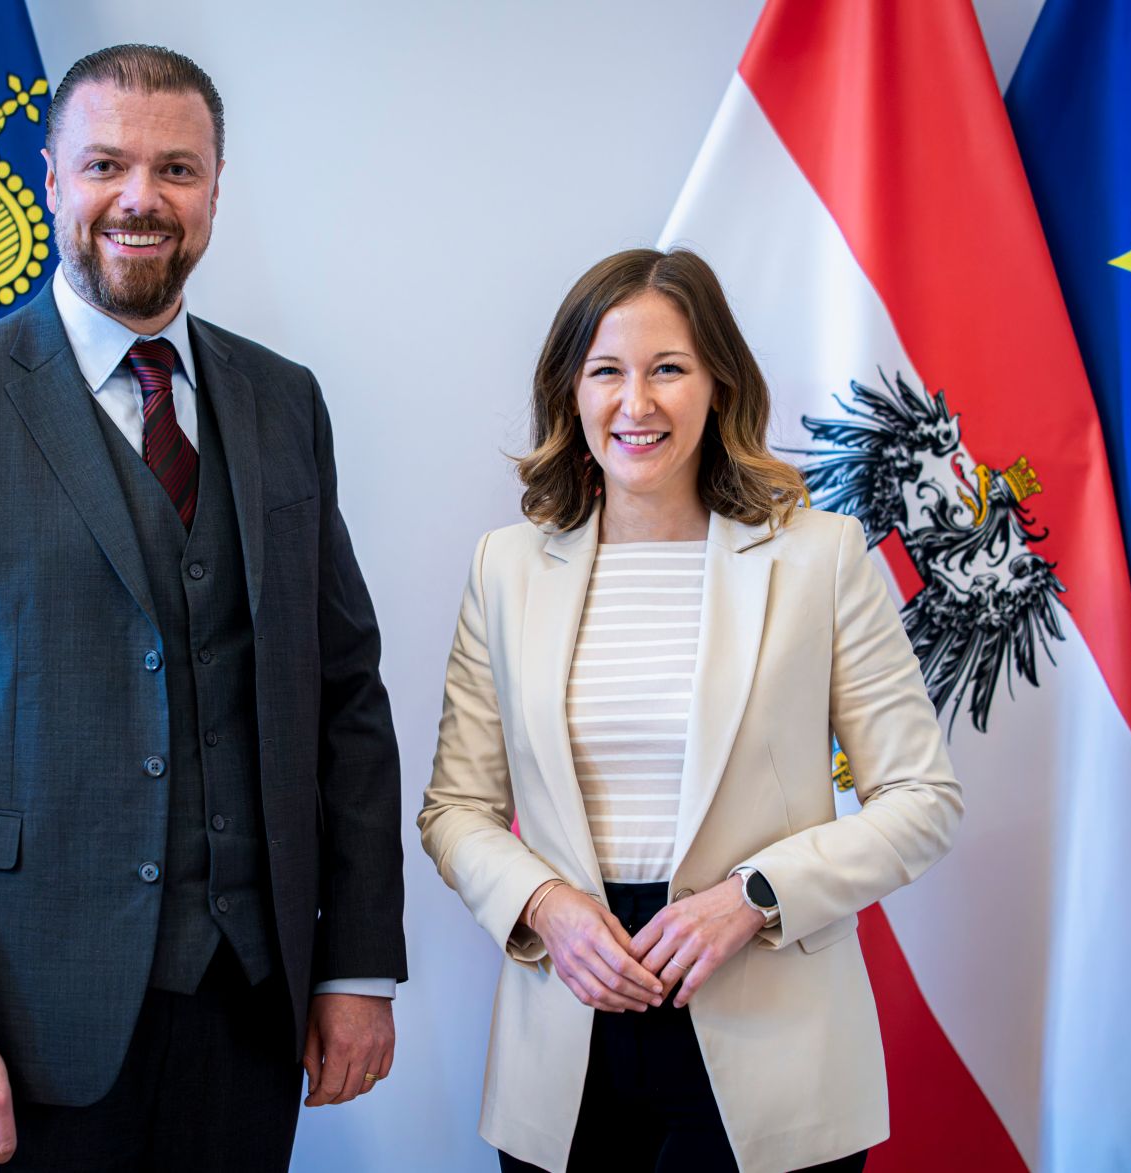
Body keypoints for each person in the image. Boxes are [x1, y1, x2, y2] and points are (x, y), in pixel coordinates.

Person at [0, 44, 405, 1172]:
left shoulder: (285, 402)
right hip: (11, 1031)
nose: (141, 199)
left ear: (217, 190)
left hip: (248, 1015)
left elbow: (345, 703)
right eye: (106, 165)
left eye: (176, 169)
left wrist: (356, 967)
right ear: (49, 180)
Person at [418, 248, 963, 1173]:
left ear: (719, 383)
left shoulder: (820, 558)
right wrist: (545, 905)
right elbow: (455, 810)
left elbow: (923, 798)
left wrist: (755, 896)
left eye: (668, 368)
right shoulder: (503, 568)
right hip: (571, 1033)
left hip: (771, 1026)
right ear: (570, 392)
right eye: (607, 372)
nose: (638, 404)